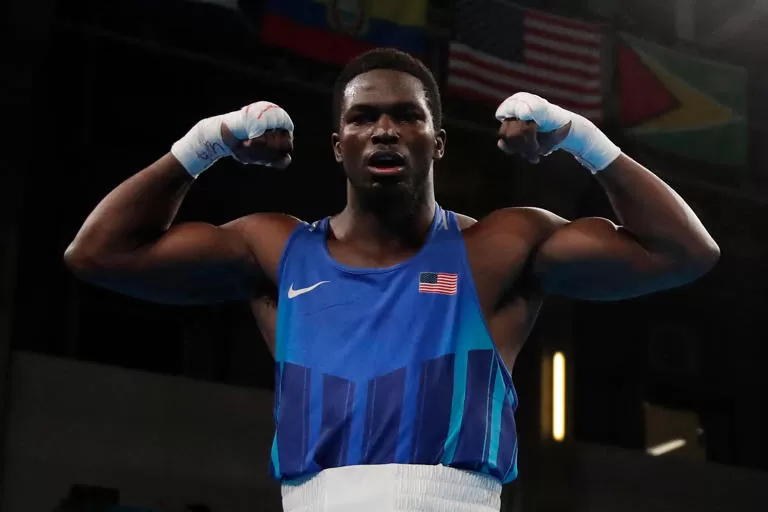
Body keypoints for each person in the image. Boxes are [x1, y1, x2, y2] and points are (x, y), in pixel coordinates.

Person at [64, 48, 719, 511]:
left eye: (407, 116)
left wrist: (581, 138)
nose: (385, 129)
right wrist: (206, 142)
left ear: (436, 142)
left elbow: (682, 253)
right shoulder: (274, 249)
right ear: (338, 144)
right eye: (363, 117)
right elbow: (100, 254)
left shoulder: (500, 245)